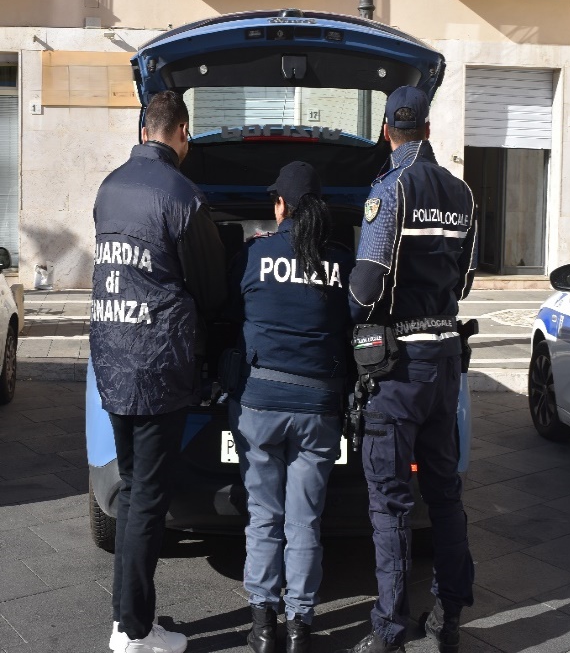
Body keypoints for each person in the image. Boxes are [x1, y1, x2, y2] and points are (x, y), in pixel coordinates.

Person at [340, 87, 477, 653]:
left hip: (397, 369)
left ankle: (390, 630)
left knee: (391, 502)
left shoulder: (391, 189)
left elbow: (366, 288)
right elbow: (464, 281)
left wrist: (349, 309)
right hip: (445, 361)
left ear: (386, 132)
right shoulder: (462, 193)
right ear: (427, 128)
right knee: (445, 494)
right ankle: (450, 617)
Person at [90, 90, 227, 653]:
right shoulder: (182, 196)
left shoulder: (109, 188)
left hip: (113, 362)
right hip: (156, 367)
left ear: (146, 128)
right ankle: (133, 631)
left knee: (132, 493)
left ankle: (126, 620)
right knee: (148, 500)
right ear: (182, 133)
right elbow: (211, 289)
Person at [227, 161, 354, 653]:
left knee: (264, 514)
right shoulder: (339, 262)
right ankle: (300, 624)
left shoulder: (253, 255)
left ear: (281, 206)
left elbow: (227, 313)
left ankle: (263, 624)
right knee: (305, 519)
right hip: (318, 406)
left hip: (260, 402)